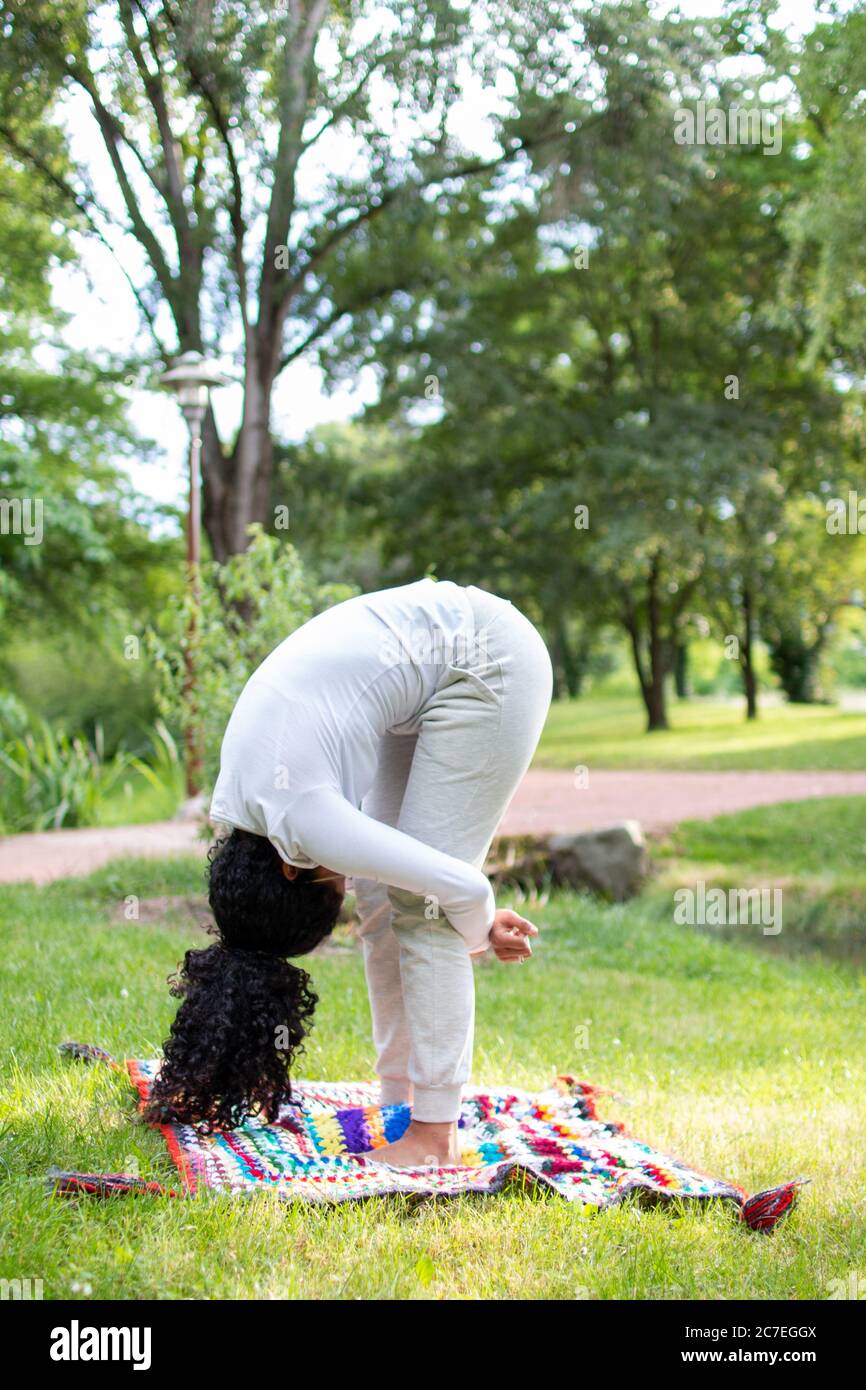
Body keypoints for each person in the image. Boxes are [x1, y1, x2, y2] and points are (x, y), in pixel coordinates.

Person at [147, 577, 553, 1167]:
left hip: (489, 660)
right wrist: (473, 922)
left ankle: (434, 1139)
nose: (343, 885)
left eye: (329, 893)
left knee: (424, 908)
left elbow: (463, 887)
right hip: (432, 672)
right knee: (391, 898)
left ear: (291, 870)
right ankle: (400, 1104)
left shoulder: (304, 820)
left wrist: (476, 928)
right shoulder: (240, 810)